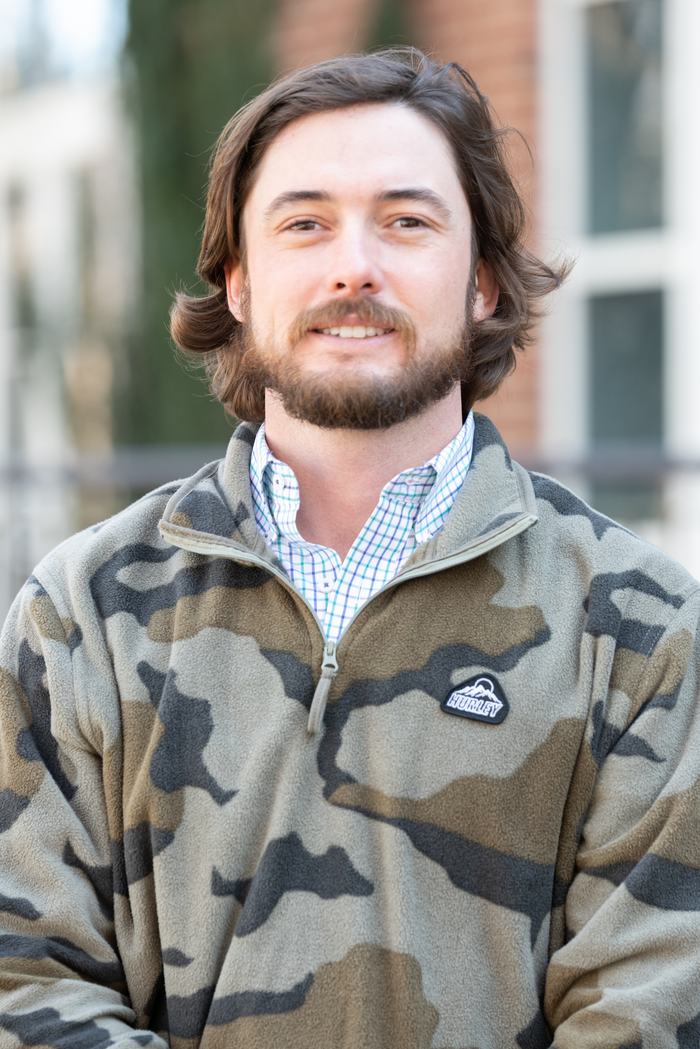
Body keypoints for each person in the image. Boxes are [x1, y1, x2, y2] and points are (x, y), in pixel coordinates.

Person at [0, 48, 698, 1049]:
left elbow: (651, 1002)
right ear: (238, 283)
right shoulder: (82, 615)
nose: (353, 265)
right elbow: (22, 977)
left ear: (483, 283)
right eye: (304, 223)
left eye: (407, 221)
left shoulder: (640, 627)